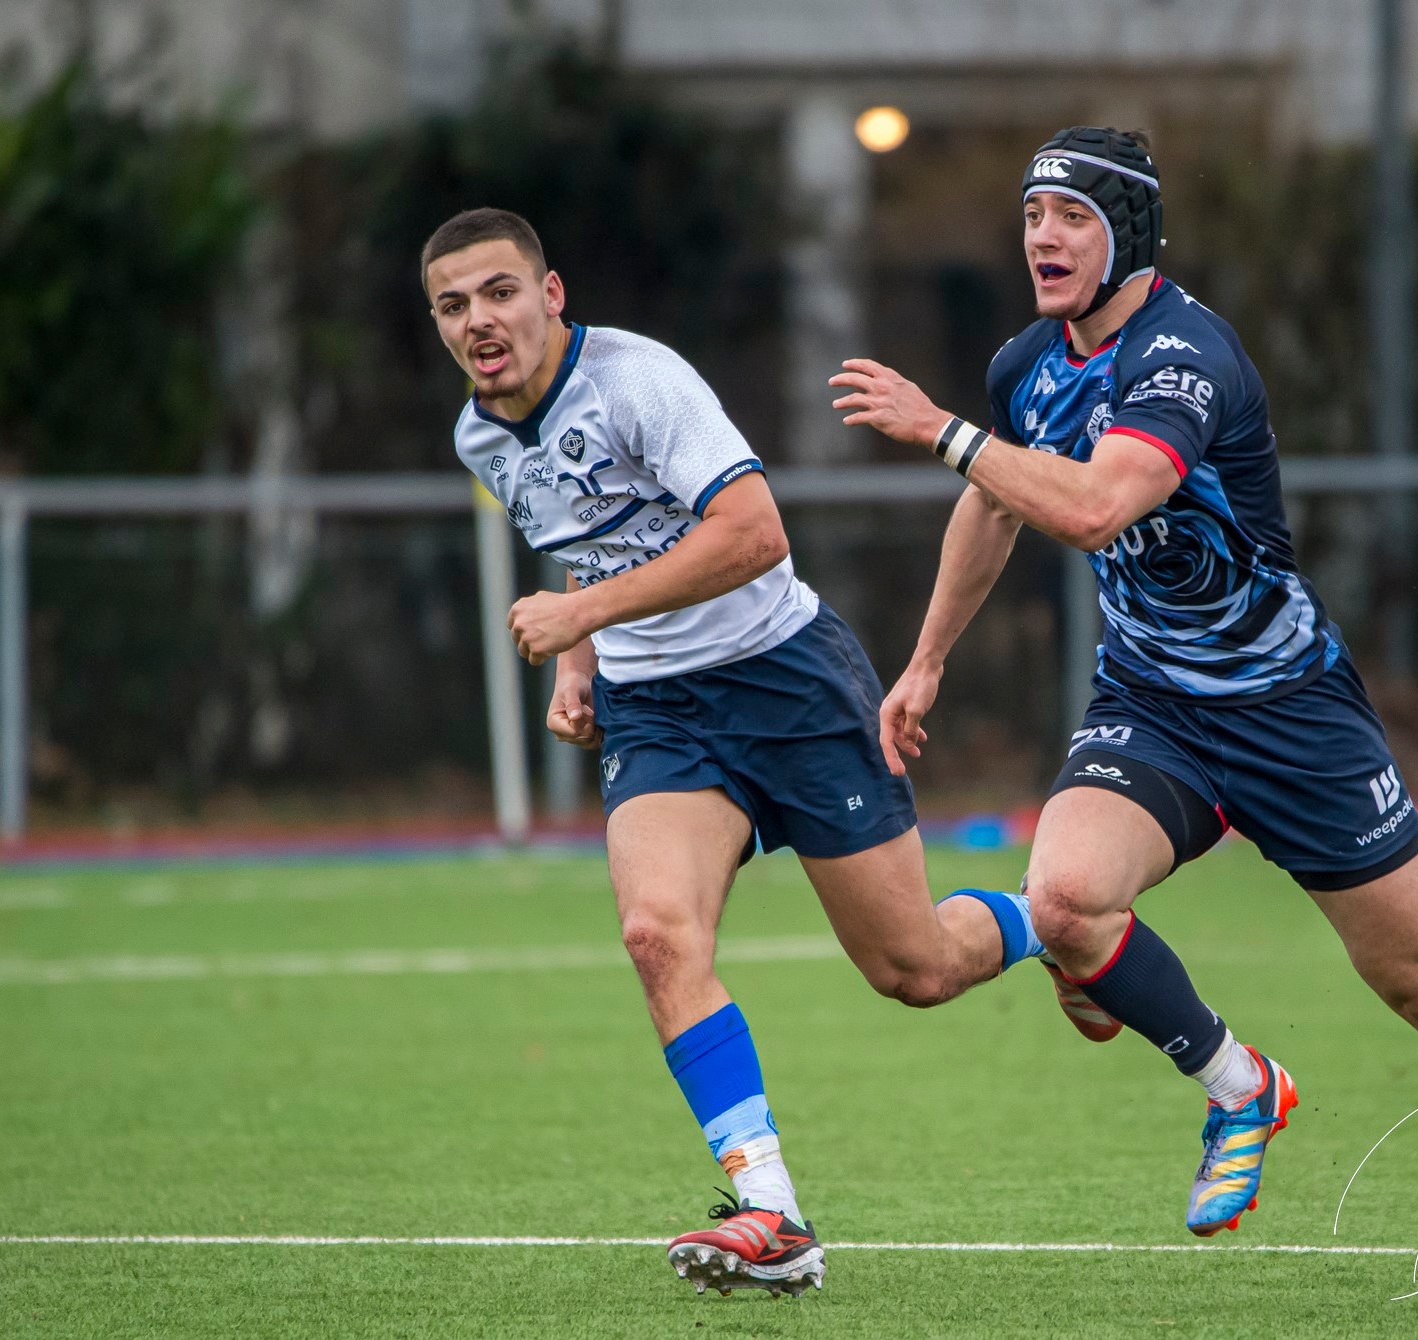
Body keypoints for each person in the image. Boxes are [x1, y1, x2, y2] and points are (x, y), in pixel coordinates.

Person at [829, 128, 1418, 1313]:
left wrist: (941, 430)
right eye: (1032, 212)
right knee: (1067, 901)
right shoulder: (1025, 366)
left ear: (1128, 233)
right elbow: (995, 505)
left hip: (1294, 714)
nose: (1041, 234)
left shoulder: (1188, 356)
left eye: (1072, 215)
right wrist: (926, 660)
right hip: (1151, 704)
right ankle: (1240, 1084)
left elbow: (1091, 507)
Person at [424, 207, 1045, 1300]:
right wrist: (583, 662)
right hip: (658, 710)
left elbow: (757, 531)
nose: (480, 319)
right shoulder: (479, 435)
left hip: (786, 678)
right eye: (452, 304)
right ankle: (773, 1206)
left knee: (915, 967)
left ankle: (1060, 918)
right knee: (656, 933)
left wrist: (583, 621)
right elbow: (591, 540)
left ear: (551, 294)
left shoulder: (639, 382)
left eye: (498, 291)